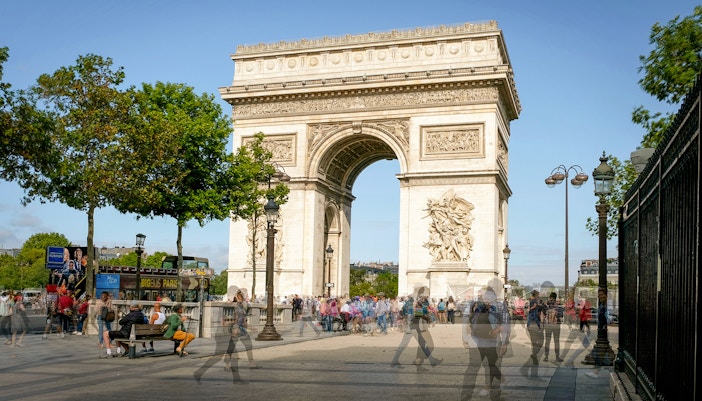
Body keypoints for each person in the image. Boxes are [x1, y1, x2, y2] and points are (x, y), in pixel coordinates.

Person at [543, 292, 564, 363]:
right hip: (556, 326)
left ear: (550, 297)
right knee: (556, 341)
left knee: (547, 341)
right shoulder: (558, 305)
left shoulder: (546, 305)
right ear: (555, 297)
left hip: (548, 325)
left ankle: (546, 357)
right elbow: (561, 316)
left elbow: (542, 314)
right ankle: (557, 357)